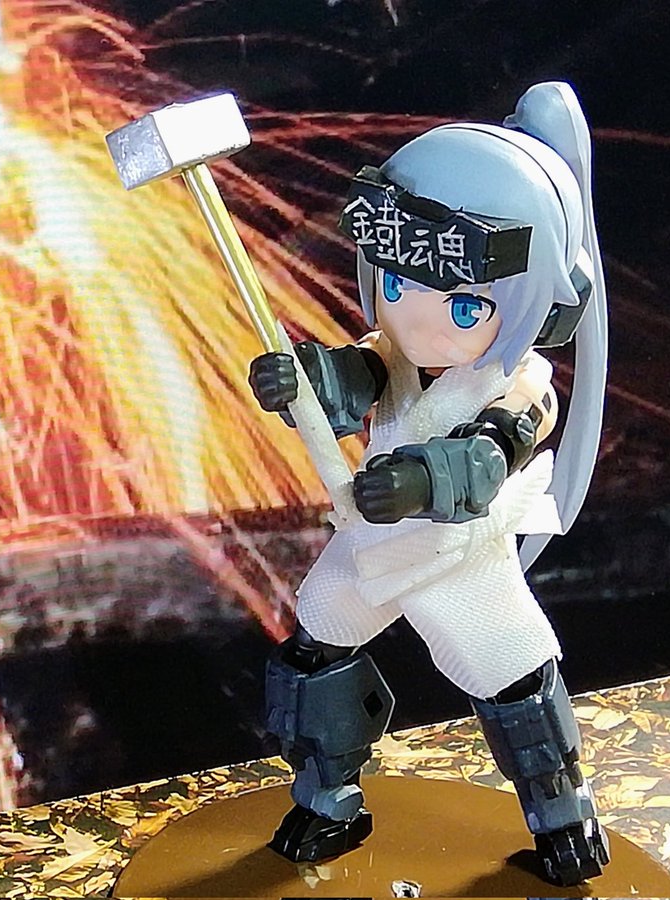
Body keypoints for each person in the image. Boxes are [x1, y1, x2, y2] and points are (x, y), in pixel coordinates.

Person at [248, 81, 609, 886]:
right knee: (310, 665)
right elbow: (347, 380)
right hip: (372, 546)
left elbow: (488, 456)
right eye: (399, 284)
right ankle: (329, 798)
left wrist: (419, 480)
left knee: (518, 689)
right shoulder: (392, 351)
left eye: (464, 305)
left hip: (461, 559)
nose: (417, 318)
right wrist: (298, 383)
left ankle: (562, 814)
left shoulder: (522, 380)